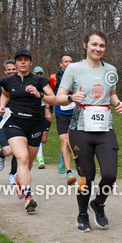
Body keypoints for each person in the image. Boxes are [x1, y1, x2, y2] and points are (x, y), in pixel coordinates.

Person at [55, 31, 122, 231]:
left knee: (110, 174)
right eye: (94, 44)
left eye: (101, 45)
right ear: (85, 45)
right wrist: (71, 98)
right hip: (80, 130)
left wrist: (118, 103)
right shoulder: (74, 68)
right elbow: (59, 97)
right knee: (87, 177)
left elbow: (112, 94)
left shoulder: (111, 70)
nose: (98, 48)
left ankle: (98, 203)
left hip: (104, 129)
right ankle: (82, 214)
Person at [0, 49, 57, 212]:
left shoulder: (40, 80)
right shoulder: (8, 81)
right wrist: (2, 105)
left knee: (28, 163)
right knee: (22, 159)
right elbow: (5, 95)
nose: (22, 62)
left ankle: (19, 179)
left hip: (35, 124)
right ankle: (28, 196)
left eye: (26, 59)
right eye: (19, 59)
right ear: (15, 63)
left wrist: (39, 94)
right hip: (14, 122)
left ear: (30, 62)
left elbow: (54, 99)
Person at [49, 53, 77, 184]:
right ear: (61, 64)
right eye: (66, 61)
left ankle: (63, 156)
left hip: (75, 112)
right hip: (61, 112)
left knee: (72, 143)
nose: (69, 63)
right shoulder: (54, 78)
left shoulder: (79, 75)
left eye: (71, 61)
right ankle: (69, 172)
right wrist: (47, 110)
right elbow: (49, 94)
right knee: (65, 142)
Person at [0, 58, 19, 184]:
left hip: (17, 119)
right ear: (5, 71)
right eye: (9, 70)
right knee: (8, 150)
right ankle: (1, 154)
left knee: (17, 149)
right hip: (2, 119)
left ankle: (13, 174)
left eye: (14, 69)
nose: (11, 71)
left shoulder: (22, 82)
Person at [33, 65, 51, 169]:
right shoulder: (31, 83)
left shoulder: (45, 84)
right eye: (37, 73)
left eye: (40, 73)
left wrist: (47, 110)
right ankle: (40, 158)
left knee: (44, 139)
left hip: (44, 110)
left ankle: (37, 150)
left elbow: (50, 97)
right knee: (38, 134)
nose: (39, 75)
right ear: (34, 73)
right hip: (34, 111)